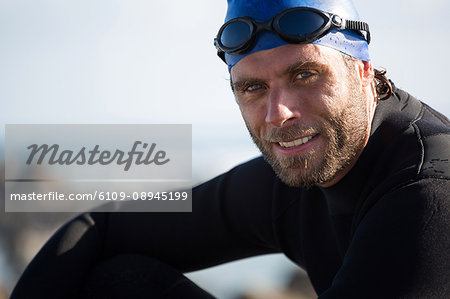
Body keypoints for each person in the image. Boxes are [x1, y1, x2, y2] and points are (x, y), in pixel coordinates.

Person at [11, 0, 450, 298]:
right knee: (120, 283)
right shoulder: (303, 170)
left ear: (363, 72)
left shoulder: (427, 198)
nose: (278, 113)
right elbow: (100, 226)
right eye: (254, 88)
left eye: (306, 75)